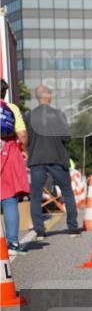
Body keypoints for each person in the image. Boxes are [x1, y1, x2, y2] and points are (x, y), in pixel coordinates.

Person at [25, 85, 81, 238]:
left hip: (36, 159)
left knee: (35, 195)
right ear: (48, 96)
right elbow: (66, 138)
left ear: (37, 98)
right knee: (67, 193)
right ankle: (73, 229)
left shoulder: (28, 116)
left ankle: (39, 231)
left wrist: (27, 151)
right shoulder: (58, 114)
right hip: (57, 158)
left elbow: (25, 137)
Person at [1, 79, 30, 254]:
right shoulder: (11, 108)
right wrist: (24, 148)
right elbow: (22, 134)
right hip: (7, 151)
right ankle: (12, 243)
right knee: (9, 198)